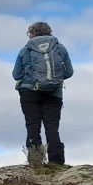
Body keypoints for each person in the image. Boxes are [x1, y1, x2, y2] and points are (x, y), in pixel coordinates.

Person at [12, 22, 73, 166]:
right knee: (52, 126)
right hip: (54, 93)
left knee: (32, 125)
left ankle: (35, 162)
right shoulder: (60, 47)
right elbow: (69, 72)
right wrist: (54, 80)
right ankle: (56, 161)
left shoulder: (25, 49)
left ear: (32, 33)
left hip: (29, 92)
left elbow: (16, 75)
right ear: (49, 32)